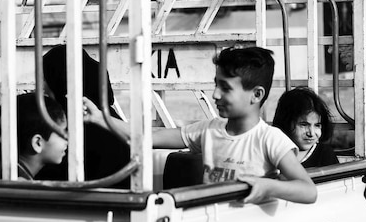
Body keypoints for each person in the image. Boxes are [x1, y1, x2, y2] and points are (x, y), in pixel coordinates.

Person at [85, 46, 317, 204]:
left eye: (225, 88)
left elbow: (308, 190)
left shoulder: (270, 139)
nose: (215, 94)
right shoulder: (209, 130)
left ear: (256, 95)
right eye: (216, 84)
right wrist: (100, 118)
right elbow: (152, 135)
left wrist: (267, 187)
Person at [35, 45, 131, 185]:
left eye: (45, 78)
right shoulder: (111, 120)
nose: (42, 86)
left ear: (59, 79)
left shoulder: (69, 128)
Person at [0, 92, 68, 180]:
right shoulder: (20, 185)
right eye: (61, 133)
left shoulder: (10, 175)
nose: (67, 139)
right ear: (37, 143)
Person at [272, 87, 339, 168]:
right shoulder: (272, 153)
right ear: (286, 123)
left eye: (317, 125)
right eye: (304, 125)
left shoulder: (325, 155)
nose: (311, 133)